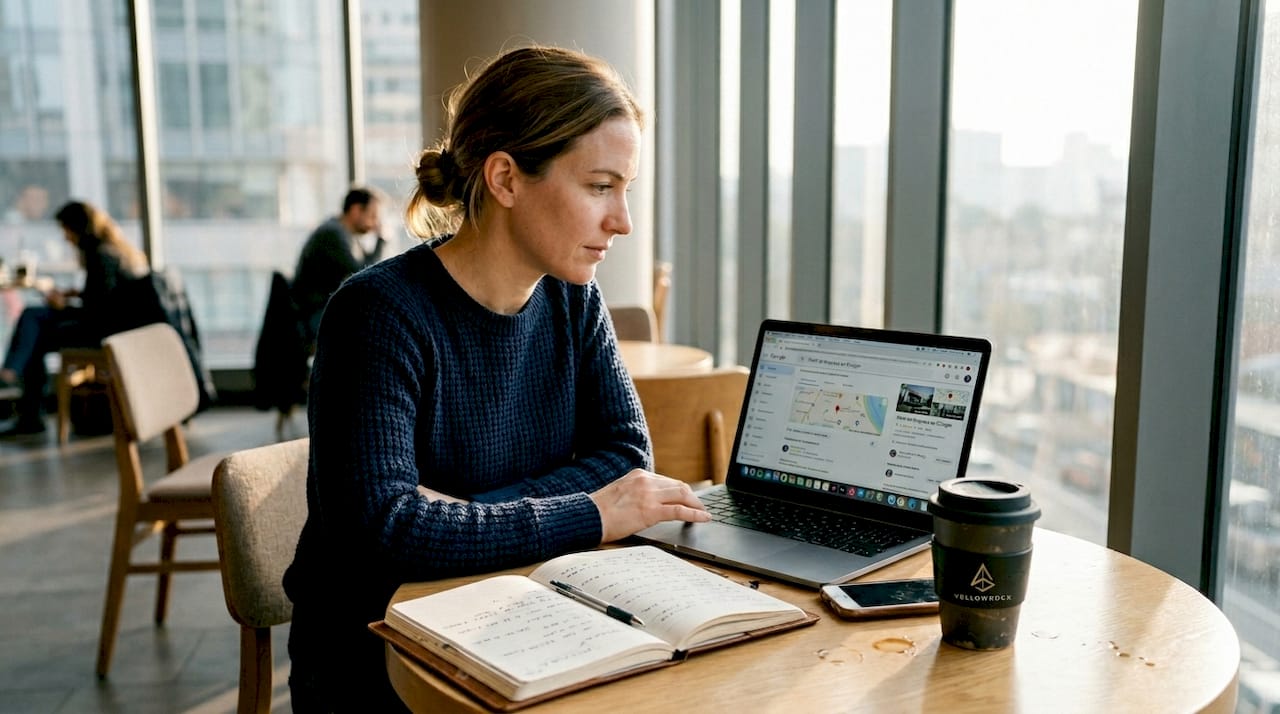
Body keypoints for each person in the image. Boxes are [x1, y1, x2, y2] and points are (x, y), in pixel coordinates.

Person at [282, 45, 711, 711]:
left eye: (625, 190)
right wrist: (588, 512)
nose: (622, 221)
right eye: (600, 187)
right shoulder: (377, 314)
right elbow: (385, 533)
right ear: (506, 179)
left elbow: (626, 457)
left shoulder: (573, 297)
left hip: (522, 613)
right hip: (379, 654)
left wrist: (454, 514)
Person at [0, 200, 149, 435]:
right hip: (113, 326)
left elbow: (97, 311)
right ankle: (17, 385)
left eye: (65, 230)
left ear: (77, 228)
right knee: (34, 323)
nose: (65, 238)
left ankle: (15, 384)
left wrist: (62, 304)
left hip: (103, 331)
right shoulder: (115, 251)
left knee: (33, 326)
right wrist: (73, 294)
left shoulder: (101, 256)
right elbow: (104, 297)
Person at [289, 186, 386, 345]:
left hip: (322, 310)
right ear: (355, 210)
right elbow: (365, 274)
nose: (375, 224)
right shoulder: (332, 234)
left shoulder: (345, 235)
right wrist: (381, 240)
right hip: (315, 315)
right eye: (372, 216)